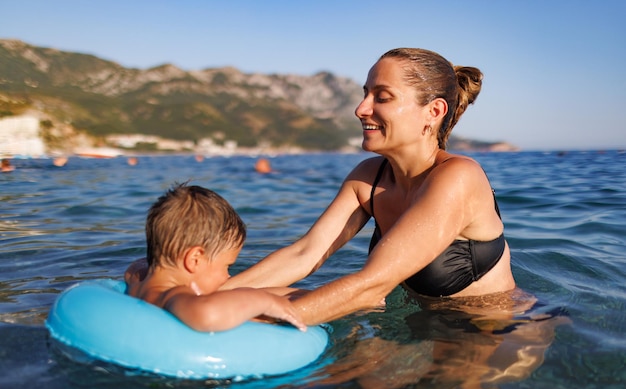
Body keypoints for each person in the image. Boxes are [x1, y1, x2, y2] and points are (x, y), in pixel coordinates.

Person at [126, 47, 516, 326]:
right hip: (420, 325)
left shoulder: (458, 177)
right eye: (365, 94)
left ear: (433, 112)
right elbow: (306, 254)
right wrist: (199, 294)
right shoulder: (369, 176)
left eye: (381, 97)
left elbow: (371, 285)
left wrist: (252, 315)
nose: (361, 109)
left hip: (491, 332)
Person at [125, 183, 306, 332]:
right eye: (227, 266)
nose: (228, 276)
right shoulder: (173, 295)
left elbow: (136, 266)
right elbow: (208, 314)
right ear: (194, 259)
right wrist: (265, 301)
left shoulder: (137, 280)